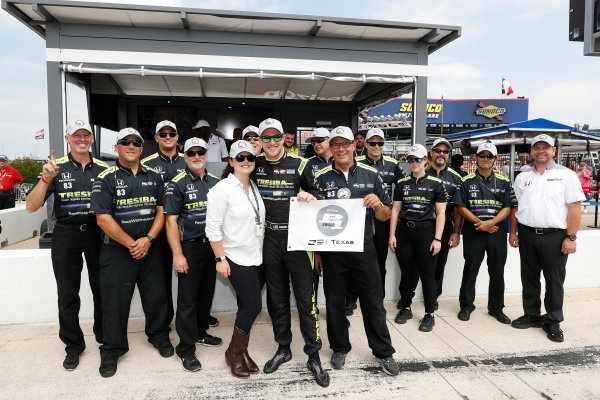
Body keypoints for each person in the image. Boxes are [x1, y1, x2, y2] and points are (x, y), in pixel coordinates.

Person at [301, 125, 400, 376]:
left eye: (345, 143)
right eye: (336, 144)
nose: (341, 148)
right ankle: (340, 347)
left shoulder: (371, 174)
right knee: (334, 302)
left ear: (355, 146)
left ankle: (384, 351)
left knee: (372, 301)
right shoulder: (320, 176)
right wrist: (306, 201)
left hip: (363, 248)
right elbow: (314, 219)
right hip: (333, 251)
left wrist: (378, 206)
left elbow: (386, 215)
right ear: (331, 148)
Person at [25, 120, 108, 371]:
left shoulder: (104, 168)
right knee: (68, 293)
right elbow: (31, 205)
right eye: (76, 135)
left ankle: (104, 338)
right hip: (65, 235)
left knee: (102, 289)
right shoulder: (54, 167)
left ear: (92, 139)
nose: (82, 139)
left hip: (98, 234)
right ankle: (73, 346)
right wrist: (46, 179)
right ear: (67, 138)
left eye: (86, 135)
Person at [91, 127, 172, 378]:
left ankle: (159, 336)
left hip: (151, 248)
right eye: (125, 142)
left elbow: (162, 211)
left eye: (136, 142)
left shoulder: (154, 176)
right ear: (116, 148)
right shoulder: (105, 177)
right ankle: (113, 349)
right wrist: (131, 243)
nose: (131, 145)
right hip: (117, 251)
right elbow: (103, 219)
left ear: (141, 148)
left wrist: (148, 239)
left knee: (157, 297)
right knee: (114, 303)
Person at [252, 118, 328, 387]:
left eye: (276, 137)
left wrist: (311, 196)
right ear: (260, 140)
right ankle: (283, 347)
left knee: (306, 300)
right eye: (266, 137)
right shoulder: (254, 164)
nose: (271, 143)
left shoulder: (302, 163)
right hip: (269, 237)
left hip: (298, 239)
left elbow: (320, 196)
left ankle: (313, 354)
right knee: (277, 298)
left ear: (284, 138)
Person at [509, 134, 585, 343]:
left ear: (553, 150)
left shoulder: (567, 175)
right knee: (529, 277)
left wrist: (571, 237)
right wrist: (513, 232)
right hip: (527, 234)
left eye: (545, 147)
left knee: (554, 280)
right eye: (536, 148)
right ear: (531, 151)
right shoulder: (523, 176)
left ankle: (552, 319)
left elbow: (575, 208)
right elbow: (516, 207)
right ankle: (532, 314)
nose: (540, 151)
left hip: (555, 236)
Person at [206, 140, 266, 379]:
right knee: (253, 305)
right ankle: (234, 352)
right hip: (234, 257)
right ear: (230, 161)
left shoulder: (253, 186)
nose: (245, 161)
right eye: (239, 157)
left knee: (245, 307)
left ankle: (241, 352)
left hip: (257, 255)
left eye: (250, 157)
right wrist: (220, 258)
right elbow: (212, 228)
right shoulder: (221, 189)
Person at [164, 137, 221, 372]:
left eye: (200, 152)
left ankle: (199, 333)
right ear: (185, 157)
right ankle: (185, 350)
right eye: (191, 153)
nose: (196, 156)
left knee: (206, 294)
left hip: (213, 246)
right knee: (187, 300)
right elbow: (170, 222)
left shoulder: (218, 182)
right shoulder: (176, 183)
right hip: (190, 247)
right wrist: (178, 255)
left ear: (206, 155)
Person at [452, 142, 514, 324]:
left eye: (489, 156)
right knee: (470, 269)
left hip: (496, 230)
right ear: (476, 157)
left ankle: (496, 308)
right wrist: (480, 223)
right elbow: (460, 207)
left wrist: (492, 222)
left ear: (495, 160)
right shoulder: (466, 181)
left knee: (497, 271)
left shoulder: (504, 181)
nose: (485, 159)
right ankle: (466, 306)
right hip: (474, 229)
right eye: (482, 155)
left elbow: (508, 207)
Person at [389, 144, 446, 332]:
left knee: (427, 275)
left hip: (426, 233)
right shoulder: (402, 184)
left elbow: (441, 214)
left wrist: (437, 239)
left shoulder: (436, 184)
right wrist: (392, 235)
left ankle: (430, 314)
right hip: (404, 233)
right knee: (407, 274)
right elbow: (395, 211)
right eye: (411, 160)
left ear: (426, 161)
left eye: (418, 159)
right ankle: (406, 308)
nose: (414, 163)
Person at [141, 120, 186, 326]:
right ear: (157, 138)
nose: (168, 137)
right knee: (160, 280)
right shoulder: (146, 163)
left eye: (172, 133)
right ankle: (165, 320)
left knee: (189, 277)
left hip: (184, 229)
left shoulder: (189, 159)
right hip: (158, 229)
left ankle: (194, 318)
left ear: (177, 137)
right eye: (163, 134)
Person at [354, 128, 405, 302]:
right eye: (372, 143)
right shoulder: (355, 161)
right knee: (354, 260)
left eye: (380, 143)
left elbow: (404, 189)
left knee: (379, 262)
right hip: (357, 219)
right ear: (366, 144)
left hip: (382, 218)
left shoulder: (393, 164)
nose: (376, 146)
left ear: (384, 145)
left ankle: (378, 298)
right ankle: (351, 299)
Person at [421, 138, 463, 310]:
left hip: (444, 226)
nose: (441, 154)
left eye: (445, 152)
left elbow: (459, 209)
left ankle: (434, 296)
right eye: (438, 150)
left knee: (439, 264)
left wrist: (456, 232)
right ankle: (407, 296)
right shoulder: (419, 172)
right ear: (431, 153)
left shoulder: (457, 178)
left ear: (449, 155)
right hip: (421, 225)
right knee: (416, 261)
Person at [302, 127, 333, 312]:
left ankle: (334, 310)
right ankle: (311, 309)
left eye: (320, 139)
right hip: (313, 225)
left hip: (336, 224)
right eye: (313, 141)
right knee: (312, 272)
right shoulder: (307, 164)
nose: (316, 144)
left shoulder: (341, 161)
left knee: (334, 275)